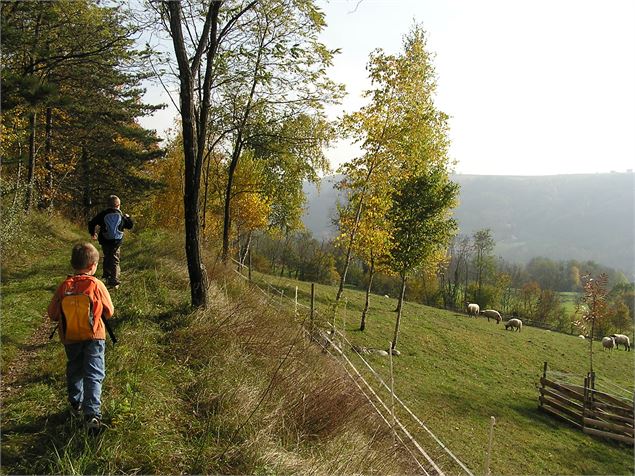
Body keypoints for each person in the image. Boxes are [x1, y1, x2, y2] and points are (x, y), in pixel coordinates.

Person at [47, 243, 114, 432]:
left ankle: (76, 404)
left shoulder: (64, 286)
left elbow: (52, 313)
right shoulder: (96, 284)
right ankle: (92, 415)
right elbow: (109, 312)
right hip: (94, 337)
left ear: (72, 264)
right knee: (93, 374)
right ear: (93, 265)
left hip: (70, 337)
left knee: (75, 369)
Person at [88, 195, 133, 288]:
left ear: (107, 205)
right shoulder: (121, 216)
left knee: (107, 256)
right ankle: (114, 280)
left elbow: (92, 223)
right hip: (116, 242)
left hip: (105, 240)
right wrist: (128, 218)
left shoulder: (103, 214)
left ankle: (107, 276)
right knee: (115, 259)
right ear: (118, 205)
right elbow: (130, 226)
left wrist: (93, 233)